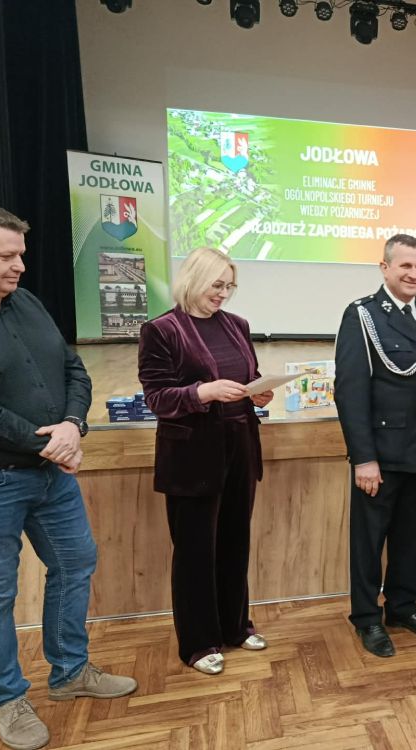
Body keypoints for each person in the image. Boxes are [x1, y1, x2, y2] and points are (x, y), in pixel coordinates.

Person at [0, 202, 137, 750]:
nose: (19, 265)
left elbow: (72, 368)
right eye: (6, 255)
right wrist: (48, 442)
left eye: (21, 254)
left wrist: (73, 425)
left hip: (49, 470)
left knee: (75, 563)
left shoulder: (27, 301)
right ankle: (7, 699)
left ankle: (70, 672)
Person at [138, 246, 274, 676]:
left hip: (240, 446)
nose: (224, 294)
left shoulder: (237, 325)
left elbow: (248, 376)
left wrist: (259, 391)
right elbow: (157, 397)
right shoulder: (162, 330)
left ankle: (235, 626)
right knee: (195, 551)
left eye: (229, 286)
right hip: (193, 455)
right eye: (217, 285)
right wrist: (204, 392)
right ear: (194, 279)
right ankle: (198, 643)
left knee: (235, 541)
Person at [334, 234, 416, 657]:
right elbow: (350, 391)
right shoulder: (362, 315)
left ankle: (402, 606)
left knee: (411, 537)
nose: (414, 274)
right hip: (380, 454)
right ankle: (366, 617)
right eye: (405, 266)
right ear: (385, 268)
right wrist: (364, 458)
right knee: (369, 541)